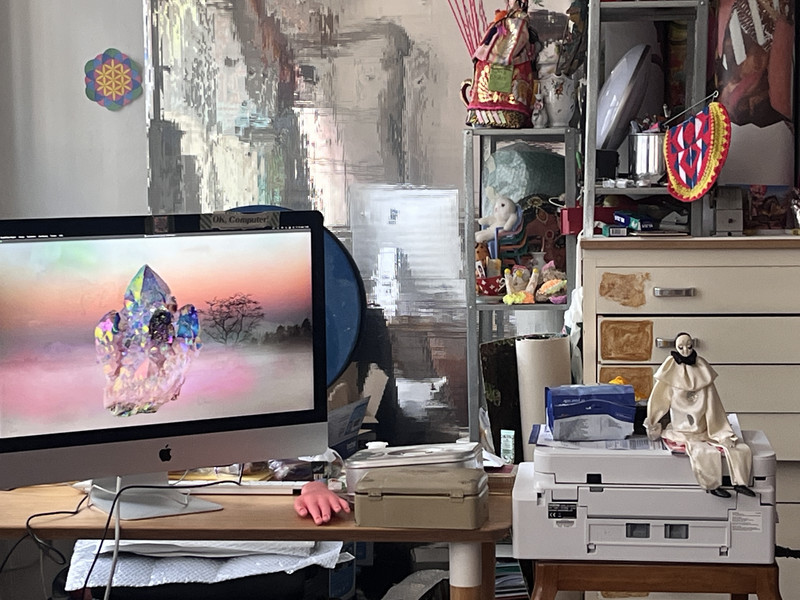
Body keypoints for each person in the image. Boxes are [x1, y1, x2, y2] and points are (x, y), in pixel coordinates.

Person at [644, 332, 754, 498]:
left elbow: (713, 402)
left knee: (739, 448)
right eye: (681, 347)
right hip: (682, 430)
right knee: (703, 452)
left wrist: (720, 429)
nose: (686, 351)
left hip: (705, 427)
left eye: (689, 346)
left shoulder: (702, 367)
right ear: (676, 347)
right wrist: (652, 422)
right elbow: (658, 400)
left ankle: (741, 483)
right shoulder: (670, 369)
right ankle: (712, 485)